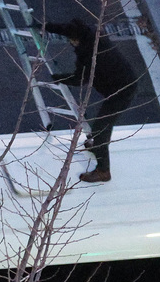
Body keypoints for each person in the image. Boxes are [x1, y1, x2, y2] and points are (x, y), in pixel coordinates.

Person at [42, 18, 138, 183]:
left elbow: (80, 79)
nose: (70, 43)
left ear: (77, 40)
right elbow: (66, 28)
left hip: (121, 90)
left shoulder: (90, 55)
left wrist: (60, 78)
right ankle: (97, 147)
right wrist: (46, 26)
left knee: (101, 129)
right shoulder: (90, 33)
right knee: (99, 128)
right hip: (121, 82)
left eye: (72, 41)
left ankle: (103, 171)